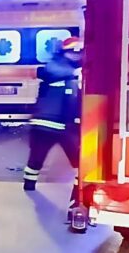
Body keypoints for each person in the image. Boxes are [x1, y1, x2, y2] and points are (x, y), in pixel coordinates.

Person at [23, 36, 83, 215]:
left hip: (66, 126)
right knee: (35, 160)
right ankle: (29, 186)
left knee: (81, 162)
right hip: (45, 125)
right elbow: (52, 71)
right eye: (72, 51)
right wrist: (76, 73)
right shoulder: (56, 66)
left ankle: (79, 195)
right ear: (63, 52)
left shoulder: (74, 70)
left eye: (78, 52)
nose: (76, 55)